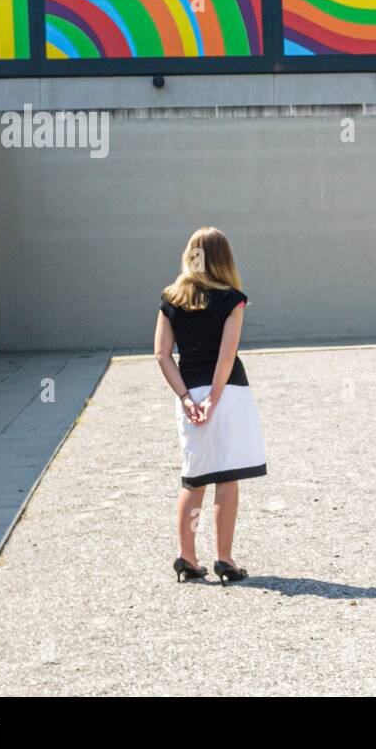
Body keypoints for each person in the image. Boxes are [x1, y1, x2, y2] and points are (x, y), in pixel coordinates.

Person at [154, 227, 267, 585]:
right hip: (228, 394)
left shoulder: (171, 299)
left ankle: (187, 557)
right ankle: (225, 560)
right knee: (228, 477)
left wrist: (188, 398)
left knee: (194, 478)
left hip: (189, 392)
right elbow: (227, 353)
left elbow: (161, 354)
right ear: (224, 257)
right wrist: (213, 399)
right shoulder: (232, 299)